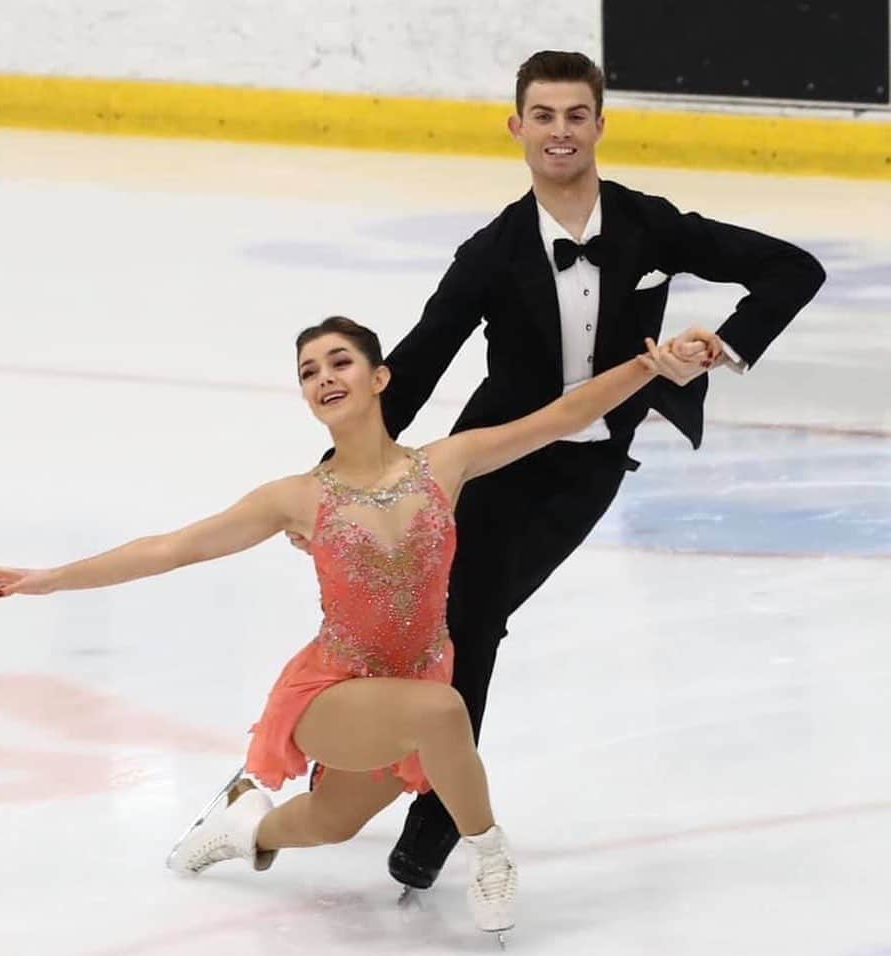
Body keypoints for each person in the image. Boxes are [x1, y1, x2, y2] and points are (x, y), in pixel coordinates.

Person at [0, 315, 719, 938]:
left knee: (328, 823)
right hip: (333, 687)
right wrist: (51, 577)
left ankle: (241, 830)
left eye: (339, 362)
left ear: (380, 377)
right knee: (446, 711)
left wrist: (651, 366)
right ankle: (492, 854)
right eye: (308, 371)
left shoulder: (445, 464)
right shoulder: (295, 498)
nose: (323, 378)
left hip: (411, 675)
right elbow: (172, 548)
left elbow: (562, 416)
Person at [289, 51, 826, 891]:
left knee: (475, 614)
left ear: (600, 126)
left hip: (586, 469)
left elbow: (795, 267)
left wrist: (728, 344)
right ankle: (350, 770)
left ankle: (429, 809)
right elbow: (423, 361)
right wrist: (335, 478)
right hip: (492, 459)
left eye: (577, 115)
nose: (561, 132)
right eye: (544, 116)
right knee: (418, 618)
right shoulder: (492, 252)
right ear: (518, 128)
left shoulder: (650, 226)